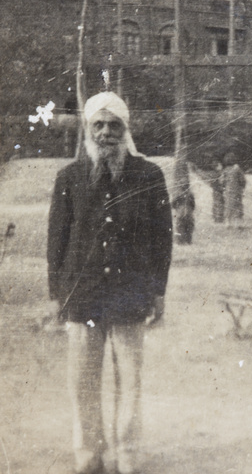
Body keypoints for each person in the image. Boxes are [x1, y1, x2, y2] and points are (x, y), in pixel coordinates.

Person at [47, 91, 173, 474]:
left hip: (130, 296)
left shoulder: (148, 175)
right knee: (82, 384)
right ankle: (89, 457)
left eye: (114, 125)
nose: (106, 133)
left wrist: (158, 292)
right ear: (88, 129)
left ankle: (129, 457)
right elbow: (57, 240)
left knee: (130, 382)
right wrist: (56, 295)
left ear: (126, 129)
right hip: (81, 296)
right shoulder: (69, 177)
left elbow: (161, 239)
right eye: (98, 125)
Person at [222, 152, 246, 226]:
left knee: (228, 205)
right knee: (237, 206)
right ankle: (237, 224)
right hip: (237, 190)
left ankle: (228, 223)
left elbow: (222, 181)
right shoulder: (237, 169)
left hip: (228, 190)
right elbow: (242, 180)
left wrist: (224, 187)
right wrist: (242, 187)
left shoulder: (225, 170)